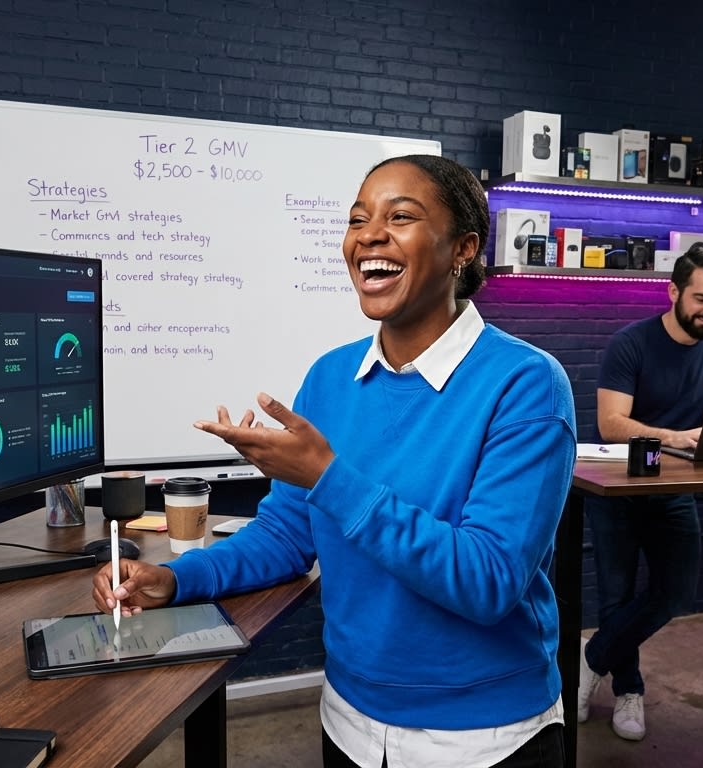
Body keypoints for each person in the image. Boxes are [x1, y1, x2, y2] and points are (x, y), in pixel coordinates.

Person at [92, 154, 576, 768]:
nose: (369, 235)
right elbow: (287, 535)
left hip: (485, 739)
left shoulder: (526, 384)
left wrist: (328, 477)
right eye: (356, 219)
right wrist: (180, 579)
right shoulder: (329, 377)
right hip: (349, 720)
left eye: (400, 216)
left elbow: (487, 581)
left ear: (464, 249)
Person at [577, 243, 703, 741]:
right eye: (702, 299)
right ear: (673, 291)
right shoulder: (631, 342)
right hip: (619, 484)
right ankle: (629, 690)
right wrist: (677, 437)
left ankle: (591, 659)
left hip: (676, 488)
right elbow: (611, 425)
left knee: (674, 593)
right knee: (617, 595)